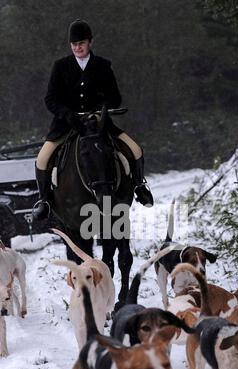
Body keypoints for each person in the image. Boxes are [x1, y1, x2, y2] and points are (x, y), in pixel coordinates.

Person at [33, 19, 153, 219]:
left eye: (81, 43)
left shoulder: (103, 66)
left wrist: (100, 111)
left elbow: (114, 96)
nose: (77, 47)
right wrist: (67, 114)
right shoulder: (61, 66)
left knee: (135, 149)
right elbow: (50, 99)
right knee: (42, 159)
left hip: (98, 123)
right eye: (74, 44)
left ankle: (140, 186)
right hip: (67, 125)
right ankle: (44, 199)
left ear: (90, 43)